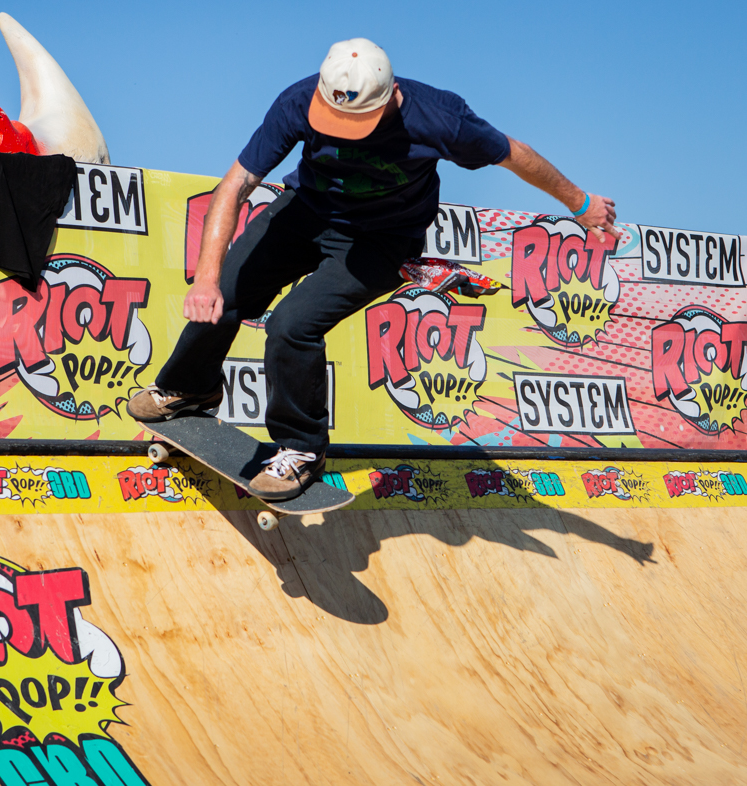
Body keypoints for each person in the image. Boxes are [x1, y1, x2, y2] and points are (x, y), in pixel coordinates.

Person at [127, 38, 619, 499]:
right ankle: (189, 387)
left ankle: (302, 449)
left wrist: (581, 203)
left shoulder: (440, 118)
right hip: (305, 212)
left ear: (390, 97)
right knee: (226, 291)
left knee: (292, 326)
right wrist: (206, 278)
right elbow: (235, 185)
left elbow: (515, 155)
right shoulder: (298, 101)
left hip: (381, 241)